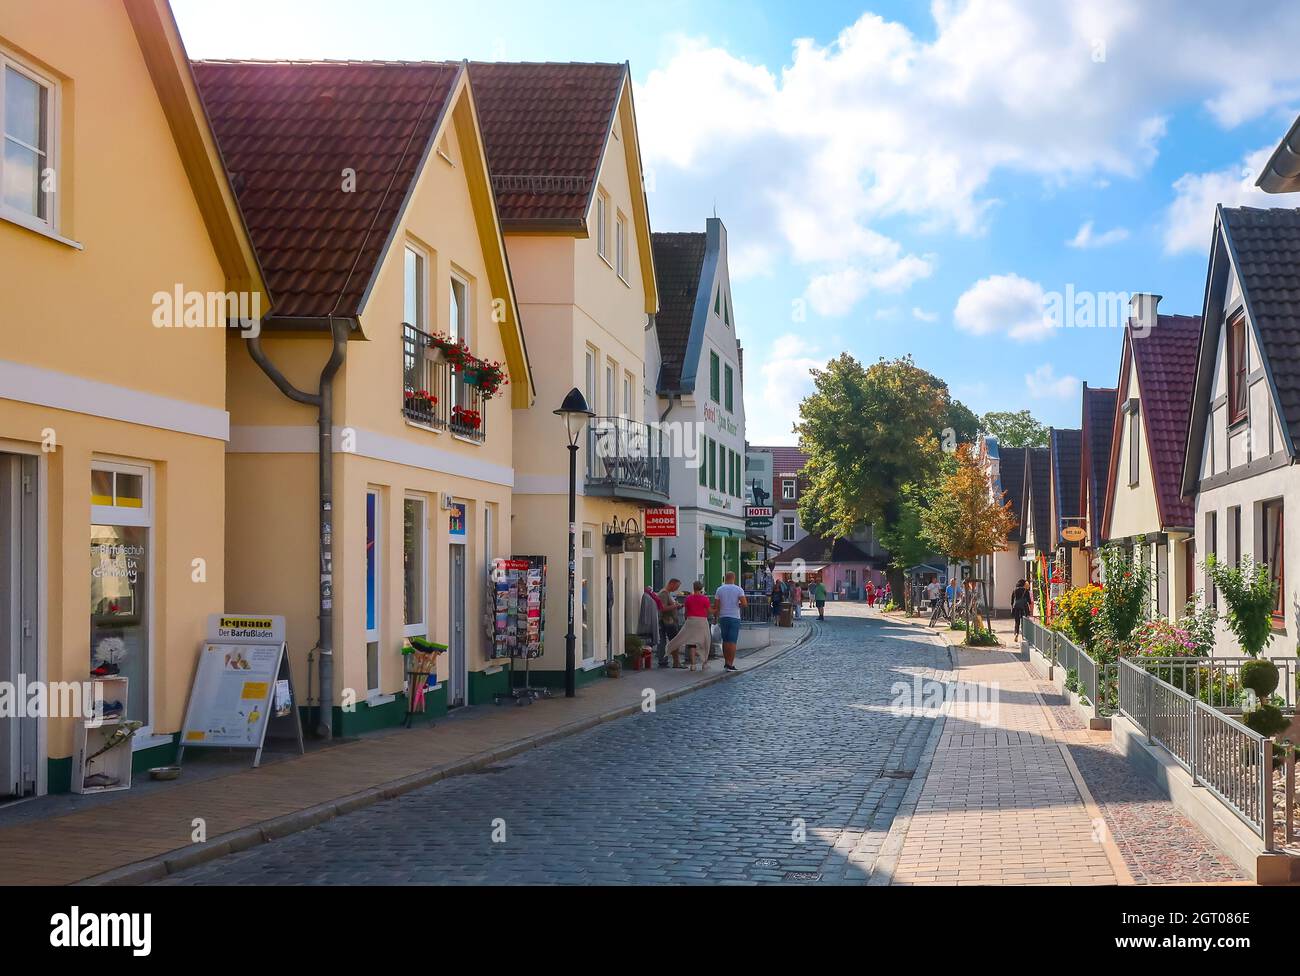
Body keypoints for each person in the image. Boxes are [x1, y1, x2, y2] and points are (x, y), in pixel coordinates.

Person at [665, 579, 712, 670]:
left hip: (691, 620)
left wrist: (687, 620)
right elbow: (709, 611)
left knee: (692, 642)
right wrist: (717, 609)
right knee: (705, 641)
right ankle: (704, 663)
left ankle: (693, 664)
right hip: (702, 621)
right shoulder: (705, 598)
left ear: (693, 588)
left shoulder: (688, 598)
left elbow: (686, 612)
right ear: (701, 588)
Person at [713, 571, 748, 672]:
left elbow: (716, 606)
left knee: (725, 640)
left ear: (725, 578)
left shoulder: (719, 589)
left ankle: (726, 662)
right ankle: (730, 664)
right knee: (732, 641)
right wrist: (739, 604)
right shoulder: (738, 589)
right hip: (734, 617)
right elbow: (744, 604)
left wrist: (716, 618)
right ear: (734, 578)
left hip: (723, 617)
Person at [656, 578, 682, 668]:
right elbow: (663, 608)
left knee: (668, 641)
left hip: (669, 620)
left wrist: (676, 606)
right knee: (674, 641)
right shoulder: (664, 593)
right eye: (676, 586)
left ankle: (670, 661)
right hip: (667, 621)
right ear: (671, 584)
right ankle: (675, 662)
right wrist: (675, 605)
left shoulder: (668, 593)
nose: (676, 589)